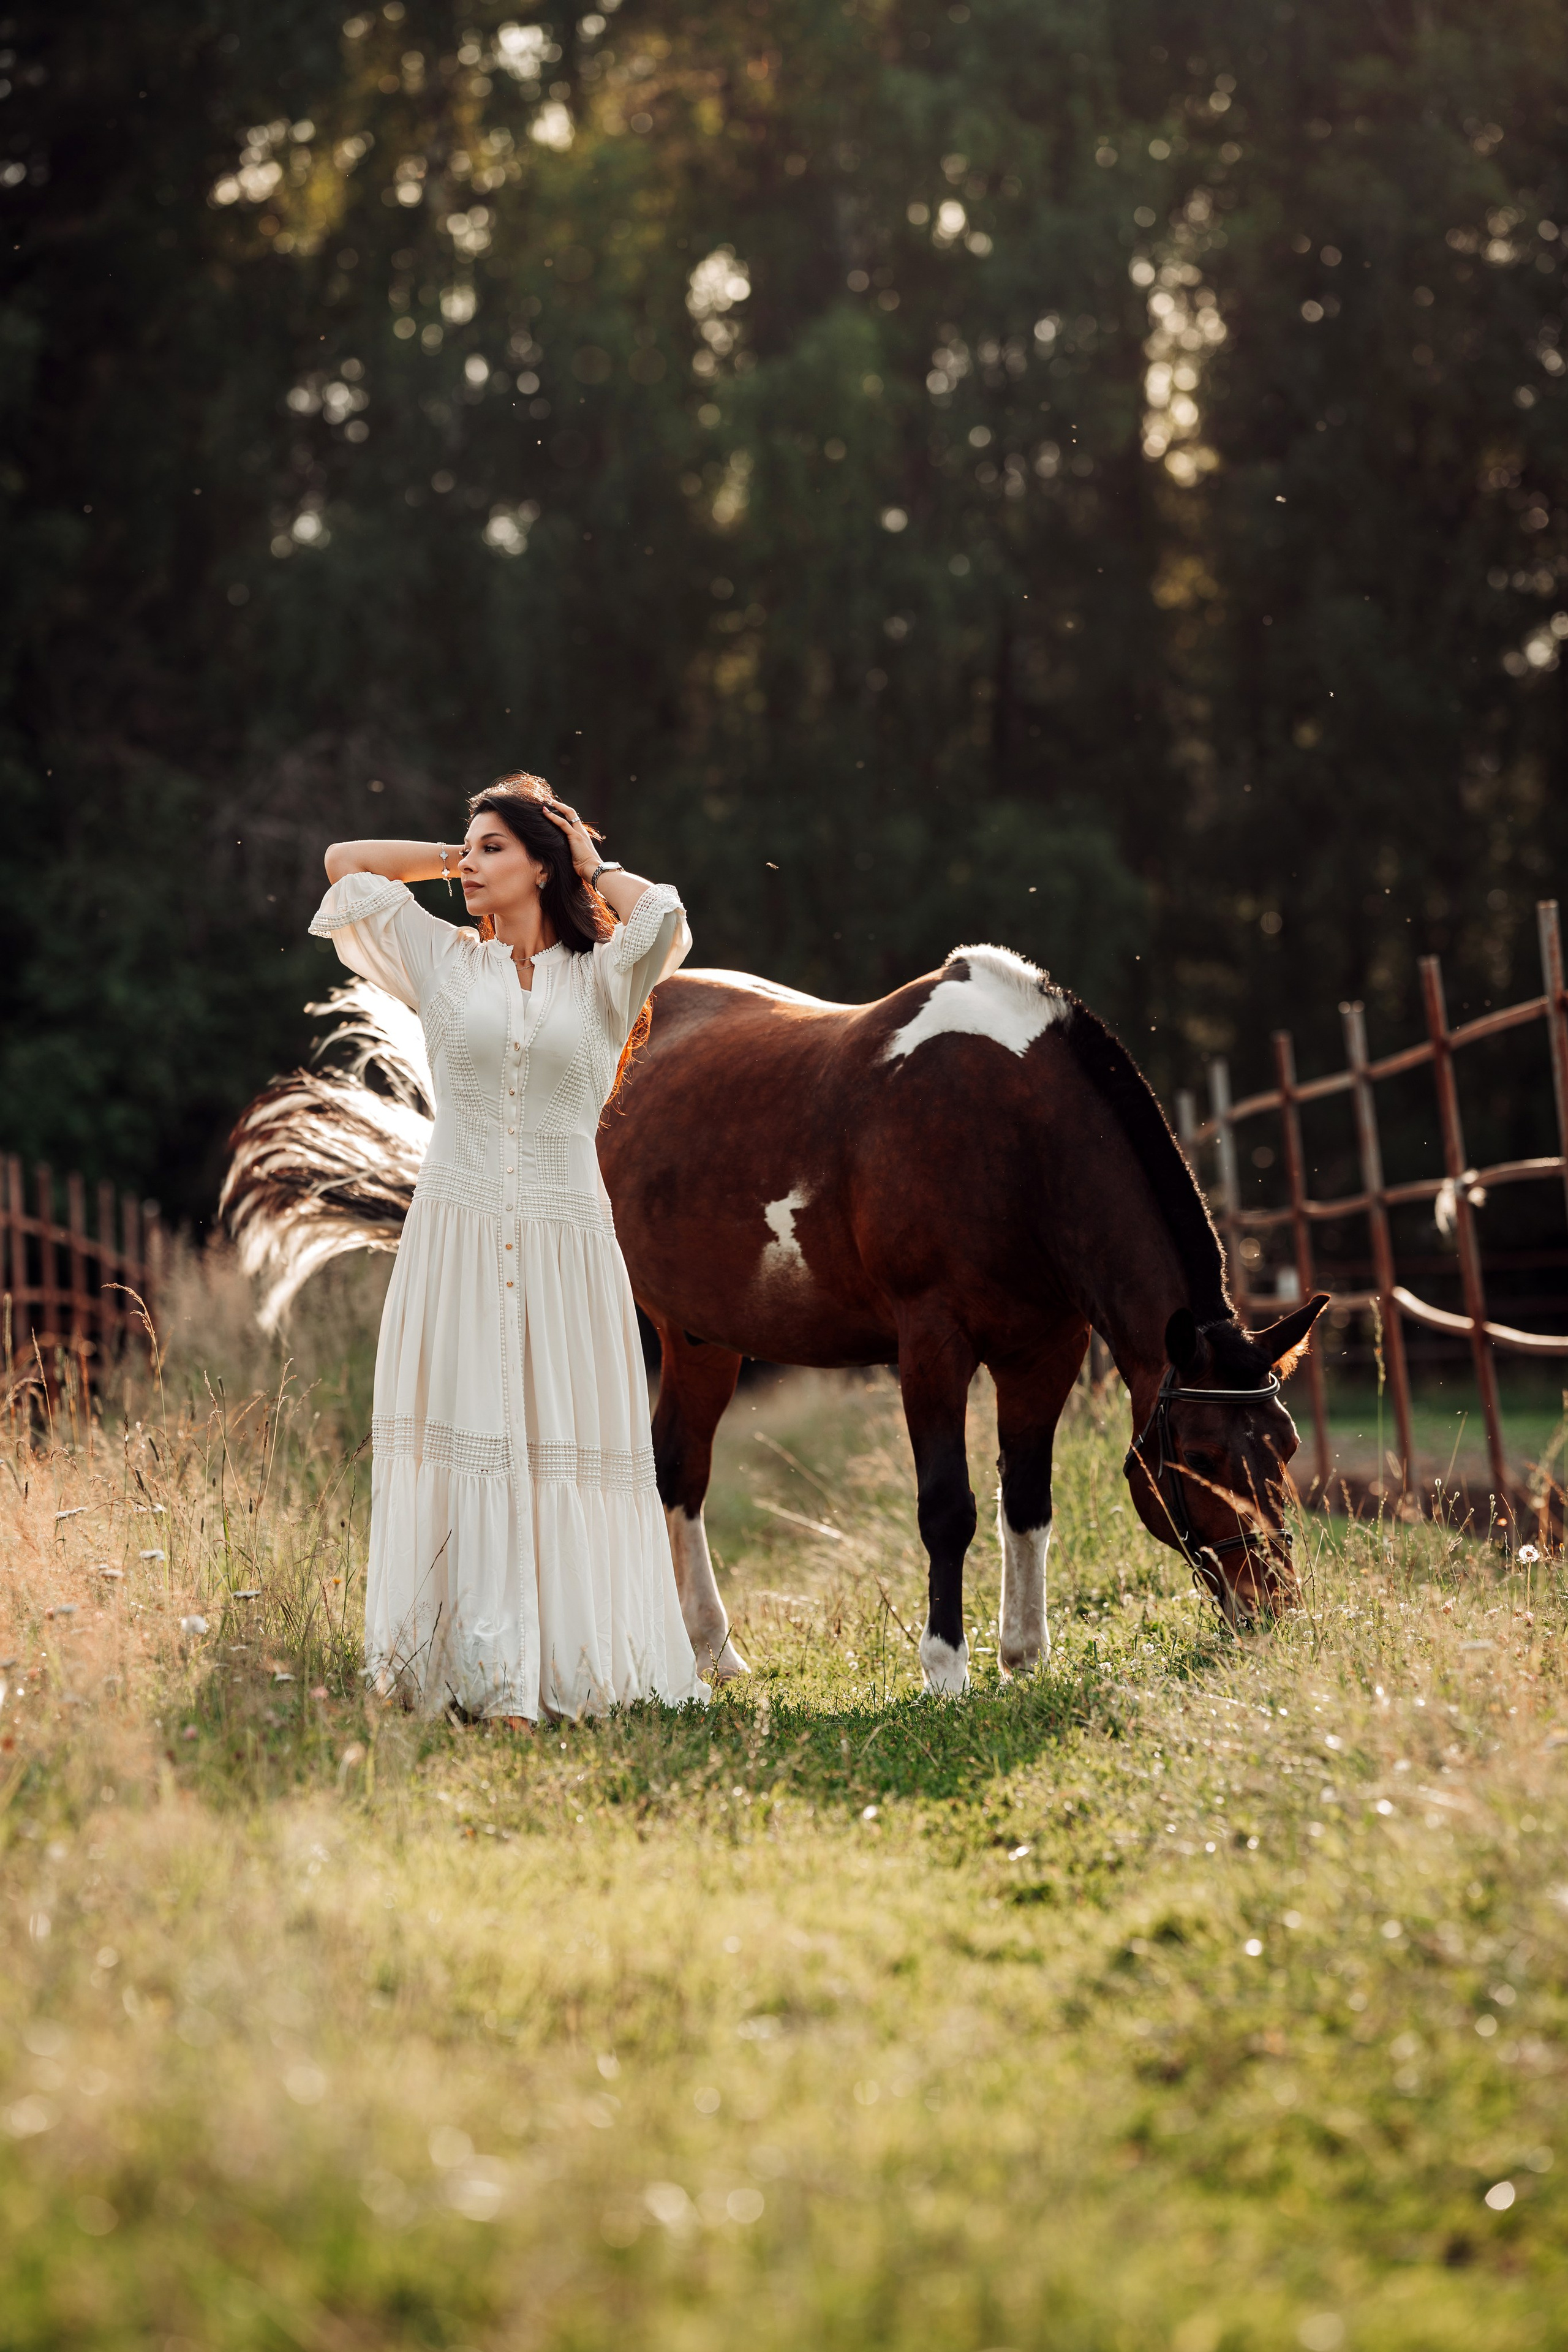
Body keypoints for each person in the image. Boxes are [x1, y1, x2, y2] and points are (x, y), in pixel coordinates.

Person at [311, 772, 709, 1725]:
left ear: (542, 864)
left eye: (493, 847)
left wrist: (587, 859)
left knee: (560, 1438)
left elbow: (667, 917)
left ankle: (563, 1667)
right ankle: (487, 1677)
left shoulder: (604, 978)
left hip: (569, 1234)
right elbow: (345, 867)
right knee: (472, 1432)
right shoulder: (443, 962)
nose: (470, 863)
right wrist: (457, 863)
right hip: (458, 1227)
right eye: (468, 846)